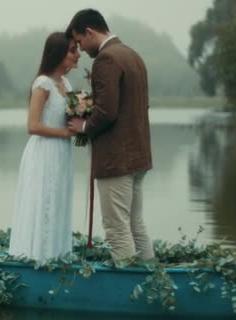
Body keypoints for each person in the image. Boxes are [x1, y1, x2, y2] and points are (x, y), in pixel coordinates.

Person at [66, 9, 155, 261]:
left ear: (90, 32)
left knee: (116, 228)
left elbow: (106, 112)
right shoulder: (132, 55)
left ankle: (128, 291)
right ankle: (152, 279)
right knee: (135, 223)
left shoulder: (106, 59)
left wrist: (82, 127)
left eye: (80, 42)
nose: (81, 49)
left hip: (117, 160)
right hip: (139, 157)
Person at [8, 32, 81, 261]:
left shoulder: (66, 83)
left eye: (77, 49)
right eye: (72, 50)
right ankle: (37, 256)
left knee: (58, 199)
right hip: (44, 152)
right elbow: (32, 125)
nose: (78, 54)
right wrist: (65, 133)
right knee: (43, 200)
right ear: (58, 53)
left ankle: (57, 253)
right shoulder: (42, 84)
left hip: (62, 152)